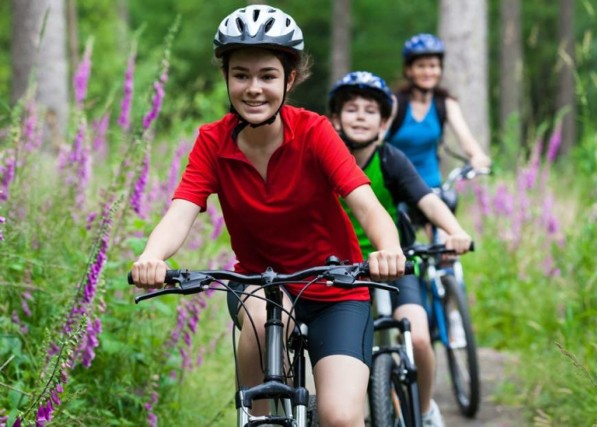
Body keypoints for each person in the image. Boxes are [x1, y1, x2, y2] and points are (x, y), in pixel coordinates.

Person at [129, 5, 406, 426]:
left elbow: (365, 203)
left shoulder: (314, 132)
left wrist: (389, 250)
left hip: (335, 290)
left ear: (289, 79)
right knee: (260, 318)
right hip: (262, 283)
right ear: (226, 78)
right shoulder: (211, 142)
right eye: (241, 75)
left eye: (267, 76)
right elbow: (180, 211)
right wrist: (153, 256)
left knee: (341, 417)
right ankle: (258, 420)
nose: (253, 88)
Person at [328, 70, 473, 427]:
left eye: (370, 110)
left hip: (398, 263)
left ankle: (424, 409)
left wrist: (454, 230)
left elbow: (427, 200)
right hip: (339, 269)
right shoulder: (324, 158)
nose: (360, 116)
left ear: (384, 122)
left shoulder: (390, 159)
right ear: (335, 119)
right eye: (351, 109)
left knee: (419, 337)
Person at [386, 33, 491, 190]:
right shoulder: (395, 103)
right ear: (409, 70)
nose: (428, 72)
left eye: (433, 66)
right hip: (393, 187)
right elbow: (376, 140)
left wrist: (477, 156)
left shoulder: (446, 104)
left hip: (430, 187)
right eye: (421, 66)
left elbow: (466, 139)